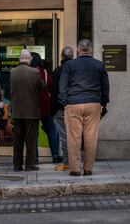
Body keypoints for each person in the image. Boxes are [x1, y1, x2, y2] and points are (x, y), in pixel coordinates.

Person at [59, 39, 110, 176]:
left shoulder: (69, 65)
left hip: (73, 103)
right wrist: (104, 103)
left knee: (73, 138)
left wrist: (64, 102)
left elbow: (62, 85)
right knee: (91, 137)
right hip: (93, 102)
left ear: (78, 49)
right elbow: (105, 87)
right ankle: (88, 168)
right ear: (91, 50)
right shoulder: (99, 65)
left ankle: (75, 169)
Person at [11, 49, 45, 171]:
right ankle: (29, 164)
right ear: (29, 59)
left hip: (16, 112)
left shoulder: (12, 72)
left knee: (17, 140)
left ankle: (17, 164)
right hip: (31, 111)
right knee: (30, 140)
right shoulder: (35, 72)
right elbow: (42, 87)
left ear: (20, 59)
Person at [30, 53, 63, 164]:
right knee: (51, 129)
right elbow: (50, 88)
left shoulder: (29, 72)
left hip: (33, 105)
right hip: (45, 105)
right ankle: (55, 155)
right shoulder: (44, 72)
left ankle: (35, 158)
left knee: (33, 132)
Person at [51, 46, 74, 171]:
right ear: (73, 56)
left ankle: (67, 162)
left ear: (61, 56)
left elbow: (54, 92)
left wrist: (53, 109)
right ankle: (74, 160)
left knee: (64, 136)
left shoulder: (58, 71)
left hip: (62, 108)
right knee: (75, 135)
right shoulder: (77, 69)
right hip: (76, 105)